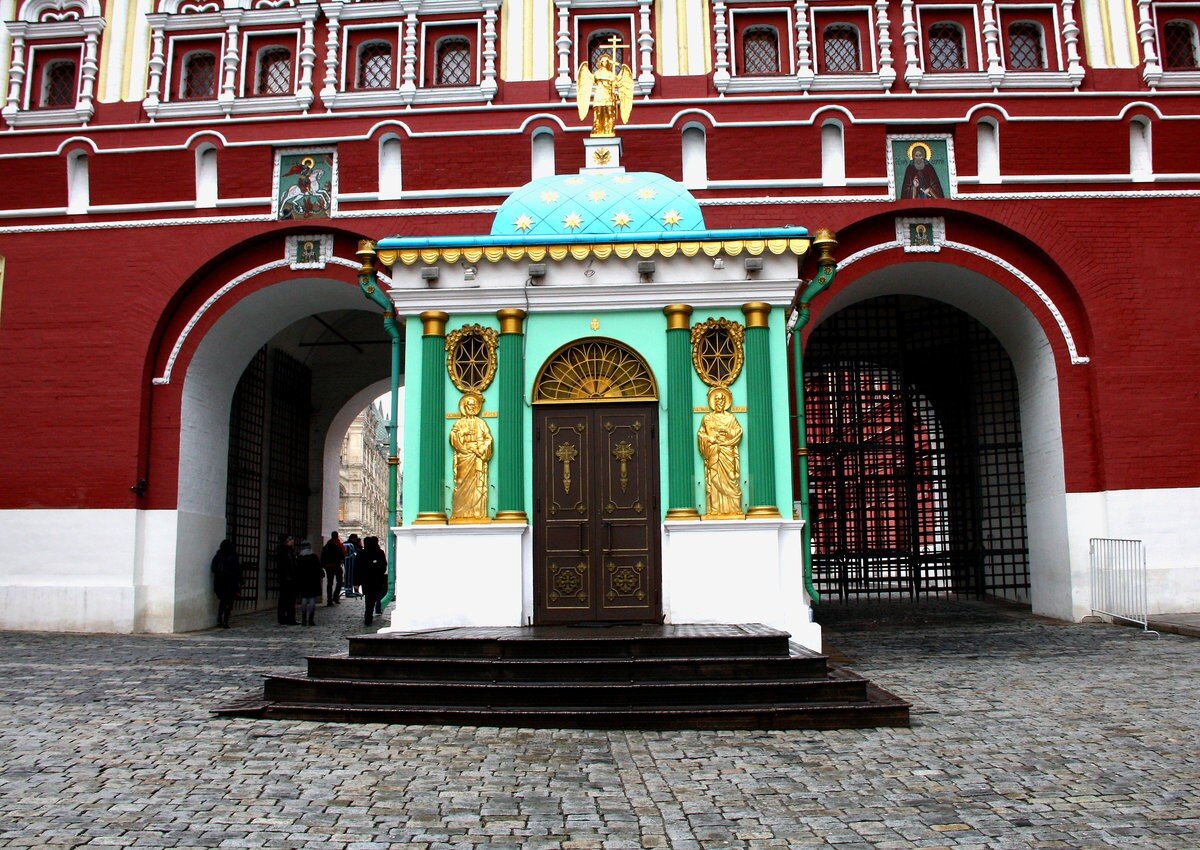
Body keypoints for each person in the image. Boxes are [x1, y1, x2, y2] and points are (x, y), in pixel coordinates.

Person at [697, 386, 744, 518]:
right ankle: (714, 509)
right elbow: (701, 434)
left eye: (721, 400)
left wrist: (727, 431)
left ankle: (735, 508)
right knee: (714, 479)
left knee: (731, 478)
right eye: (716, 400)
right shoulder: (707, 418)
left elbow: (738, 432)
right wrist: (709, 438)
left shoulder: (731, 418)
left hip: (727, 452)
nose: (719, 403)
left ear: (725, 402)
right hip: (714, 453)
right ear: (713, 403)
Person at [449, 392, 493, 520]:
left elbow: (488, 438)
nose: (472, 407)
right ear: (465, 406)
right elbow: (453, 437)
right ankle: (460, 512)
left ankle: (477, 512)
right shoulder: (459, 423)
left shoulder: (481, 423)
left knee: (478, 483)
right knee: (461, 483)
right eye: (469, 405)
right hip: (464, 456)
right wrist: (463, 432)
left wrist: (482, 448)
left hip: (478, 456)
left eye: (474, 405)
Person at [210, 539, 241, 629]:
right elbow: (237, 570)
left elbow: (213, 568)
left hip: (220, 582)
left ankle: (220, 617)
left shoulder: (218, 555)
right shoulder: (233, 556)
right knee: (229, 602)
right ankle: (225, 621)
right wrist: (240, 581)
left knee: (223, 601)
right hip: (230, 582)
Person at [359, 535, 388, 627]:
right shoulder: (379, 552)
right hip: (377, 579)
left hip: (367, 580)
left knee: (369, 599)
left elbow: (358, 568)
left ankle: (368, 617)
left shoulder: (363, 553)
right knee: (376, 596)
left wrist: (357, 581)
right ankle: (375, 611)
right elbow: (384, 565)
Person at [296, 540, 324, 627]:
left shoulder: (300, 557)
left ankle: (304, 619)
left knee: (304, 599)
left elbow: (297, 569)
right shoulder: (314, 556)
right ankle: (311, 619)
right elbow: (319, 568)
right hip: (313, 580)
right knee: (312, 599)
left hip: (303, 580)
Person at [275, 534, 299, 625]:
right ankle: (290, 618)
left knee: (284, 599)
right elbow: (290, 566)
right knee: (289, 600)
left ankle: (283, 618)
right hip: (289, 579)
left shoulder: (285, 551)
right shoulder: (287, 552)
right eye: (290, 539)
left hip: (285, 579)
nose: (292, 541)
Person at [321, 531, 345, 606]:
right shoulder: (338, 544)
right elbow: (343, 554)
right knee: (339, 581)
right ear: (337, 536)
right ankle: (335, 596)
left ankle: (329, 600)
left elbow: (322, 556)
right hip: (336, 565)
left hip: (328, 566)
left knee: (330, 583)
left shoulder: (327, 545)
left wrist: (324, 565)